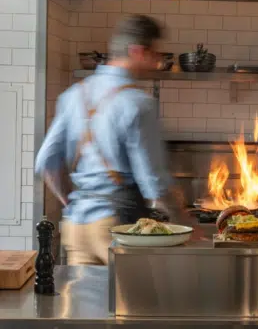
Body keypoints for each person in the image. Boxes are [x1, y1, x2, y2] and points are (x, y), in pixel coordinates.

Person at [35, 14, 191, 265]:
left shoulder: (74, 95)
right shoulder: (140, 104)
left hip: (76, 226)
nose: (156, 63)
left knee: (83, 303)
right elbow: (154, 181)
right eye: (154, 55)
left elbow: (46, 161)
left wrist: (72, 199)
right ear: (138, 51)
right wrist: (185, 225)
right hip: (118, 228)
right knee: (135, 303)